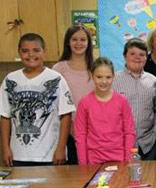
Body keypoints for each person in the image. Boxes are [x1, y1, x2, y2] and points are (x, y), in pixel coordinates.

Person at [0, 33, 75, 167]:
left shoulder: (56, 79)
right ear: (19, 52)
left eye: (36, 50)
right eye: (25, 51)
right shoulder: (10, 80)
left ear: (44, 51)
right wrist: (5, 148)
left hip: (49, 155)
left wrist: (61, 147)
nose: (30, 55)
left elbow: (66, 115)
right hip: (18, 155)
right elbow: (5, 116)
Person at [75, 57, 136, 165]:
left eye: (108, 77)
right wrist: (83, 164)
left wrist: (127, 160)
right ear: (92, 76)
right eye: (99, 77)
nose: (104, 81)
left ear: (113, 77)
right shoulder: (84, 103)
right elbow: (80, 135)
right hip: (93, 161)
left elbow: (129, 132)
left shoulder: (122, 101)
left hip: (119, 159)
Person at [113, 38, 156, 159]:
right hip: (120, 143)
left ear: (146, 57)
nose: (137, 57)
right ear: (125, 56)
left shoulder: (153, 81)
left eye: (141, 55)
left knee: (149, 176)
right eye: (132, 54)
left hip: (147, 144)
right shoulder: (113, 80)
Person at [53, 25, 94, 164]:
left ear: (89, 43)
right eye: (74, 39)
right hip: (67, 131)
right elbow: (55, 103)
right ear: (68, 42)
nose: (78, 43)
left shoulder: (95, 67)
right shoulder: (59, 68)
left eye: (83, 39)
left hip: (94, 131)